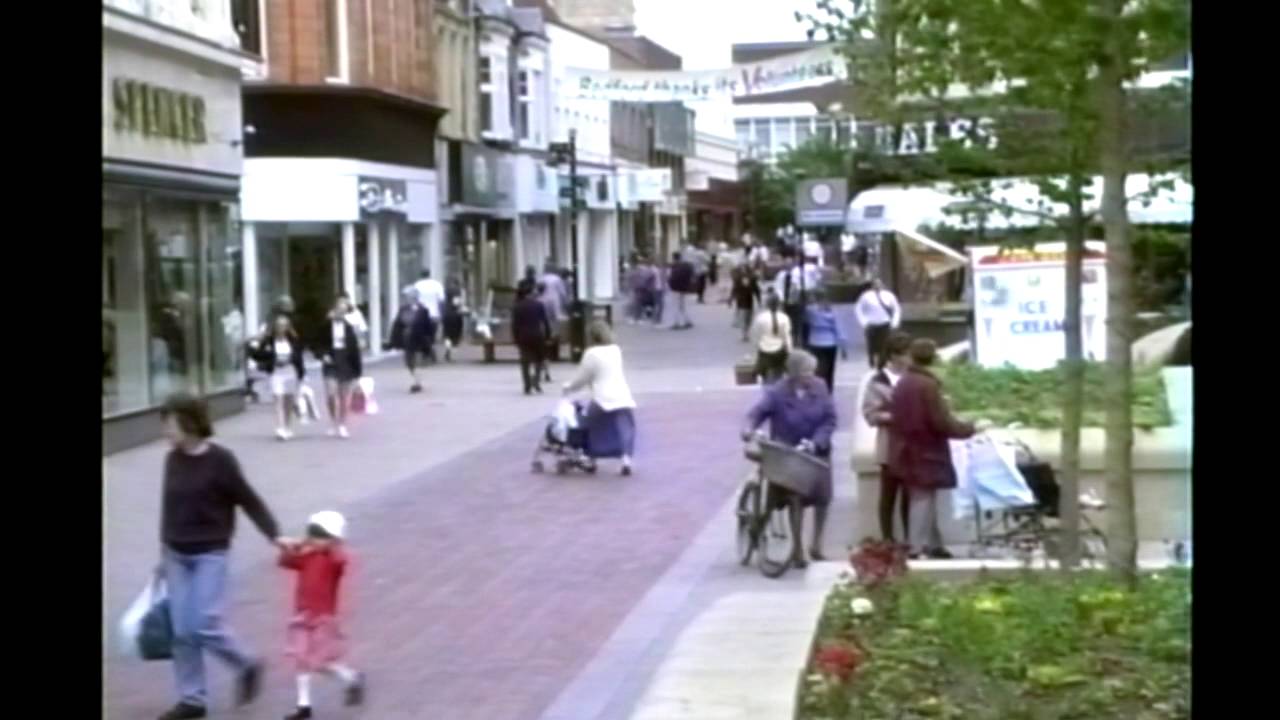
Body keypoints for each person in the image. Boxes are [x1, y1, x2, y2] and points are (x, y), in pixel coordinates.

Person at [156, 393, 293, 720]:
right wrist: (163, 555)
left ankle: (246, 664)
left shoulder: (221, 461)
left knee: (204, 623)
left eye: (169, 424)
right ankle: (192, 700)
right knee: (182, 631)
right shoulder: (172, 459)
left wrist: (274, 534)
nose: (165, 431)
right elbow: (169, 508)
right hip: (176, 554)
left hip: (210, 553)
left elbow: (249, 500)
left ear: (189, 423)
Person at [742, 350, 837, 567]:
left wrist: (816, 441)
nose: (810, 376)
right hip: (788, 453)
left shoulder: (820, 387)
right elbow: (755, 414)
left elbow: (830, 419)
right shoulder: (777, 392)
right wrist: (749, 429)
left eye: (812, 371)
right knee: (795, 498)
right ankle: (797, 549)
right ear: (793, 373)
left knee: (823, 497)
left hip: (816, 450)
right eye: (805, 372)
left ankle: (817, 545)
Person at [888, 339, 977, 559]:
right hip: (926, 450)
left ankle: (934, 544)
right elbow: (940, 422)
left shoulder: (904, 382)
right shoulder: (927, 385)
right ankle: (916, 548)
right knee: (923, 498)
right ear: (933, 358)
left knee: (923, 497)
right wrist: (969, 429)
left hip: (906, 448)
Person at [278, 511, 366, 720]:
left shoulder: (333, 560)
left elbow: (340, 559)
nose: (314, 540)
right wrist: (295, 546)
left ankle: (351, 678)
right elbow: (285, 561)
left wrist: (333, 545)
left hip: (323, 618)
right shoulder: (306, 556)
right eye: (312, 534)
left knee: (321, 663)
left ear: (333, 540)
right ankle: (304, 705)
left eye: (320, 536)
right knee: (301, 658)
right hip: (302, 615)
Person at [563, 320, 638, 475]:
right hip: (622, 396)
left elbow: (582, 378)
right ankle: (626, 460)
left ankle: (590, 457)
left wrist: (569, 387)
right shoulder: (616, 350)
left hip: (602, 398)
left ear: (590, 336)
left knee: (588, 425)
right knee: (625, 427)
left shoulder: (591, 354)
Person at [861, 331, 914, 543]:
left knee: (910, 495)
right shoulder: (877, 381)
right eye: (905, 354)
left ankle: (910, 538)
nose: (909, 358)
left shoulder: (913, 377)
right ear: (893, 356)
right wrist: (894, 416)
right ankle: (888, 539)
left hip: (912, 445)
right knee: (888, 495)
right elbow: (870, 414)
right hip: (889, 445)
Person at [253, 315, 306, 440]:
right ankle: (280, 428)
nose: (281, 328)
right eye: (278, 325)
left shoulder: (293, 340)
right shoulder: (269, 340)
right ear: (275, 327)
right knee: (278, 399)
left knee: (289, 401)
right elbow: (258, 354)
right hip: (276, 373)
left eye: (284, 325)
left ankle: (287, 427)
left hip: (291, 372)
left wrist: (300, 373)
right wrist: (270, 358)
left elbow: (299, 357)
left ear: (288, 327)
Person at [320, 295, 363, 439]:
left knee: (344, 396)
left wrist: (358, 372)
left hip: (345, 362)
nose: (340, 313)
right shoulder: (326, 325)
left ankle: (342, 424)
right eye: (339, 309)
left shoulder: (349, 328)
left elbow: (355, 350)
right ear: (334, 309)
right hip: (330, 362)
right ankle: (333, 421)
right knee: (331, 393)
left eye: (343, 311)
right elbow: (317, 342)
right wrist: (322, 354)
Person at [387, 289, 435, 394]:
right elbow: (397, 324)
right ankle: (416, 379)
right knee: (409, 362)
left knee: (417, 361)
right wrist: (393, 340)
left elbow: (428, 326)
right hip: (407, 339)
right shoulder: (403, 309)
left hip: (419, 339)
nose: (408, 299)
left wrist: (430, 339)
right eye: (407, 297)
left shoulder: (423, 310)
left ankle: (417, 382)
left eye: (409, 296)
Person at [512, 284, 553, 395]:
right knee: (539, 360)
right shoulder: (539, 305)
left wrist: (515, 338)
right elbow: (545, 322)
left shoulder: (517, 306)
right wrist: (548, 336)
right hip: (537, 335)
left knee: (525, 362)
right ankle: (536, 380)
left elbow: (515, 325)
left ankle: (527, 385)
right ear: (530, 293)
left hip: (523, 337)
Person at [805, 290, 848, 393]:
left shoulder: (810, 311)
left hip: (814, 341)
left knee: (817, 367)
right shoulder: (831, 312)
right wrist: (843, 347)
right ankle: (828, 389)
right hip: (830, 342)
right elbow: (838, 329)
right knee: (830, 369)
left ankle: (817, 387)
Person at [775, 254, 823, 347]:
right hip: (785, 301)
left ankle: (799, 339)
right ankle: (790, 338)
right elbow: (778, 287)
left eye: (790, 263)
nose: (788, 265)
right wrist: (782, 299)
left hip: (796, 300)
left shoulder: (798, 273)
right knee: (787, 320)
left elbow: (806, 284)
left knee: (799, 319)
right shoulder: (781, 275)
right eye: (786, 263)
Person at [855, 279, 901, 369]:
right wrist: (863, 322)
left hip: (885, 323)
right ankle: (872, 361)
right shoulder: (866, 296)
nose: (877, 286)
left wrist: (894, 322)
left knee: (885, 344)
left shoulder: (889, 295)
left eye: (879, 284)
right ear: (872, 286)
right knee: (871, 345)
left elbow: (896, 309)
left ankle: (882, 362)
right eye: (875, 284)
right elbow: (858, 309)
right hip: (871, 324)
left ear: (882, 285)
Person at [750, 293, 793, 384]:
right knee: (779, 371)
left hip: (764, 349)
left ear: (767, 304)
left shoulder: (760, 318)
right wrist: (789, 349)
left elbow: (756, 334)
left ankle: (766, 385)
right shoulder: (784, 318)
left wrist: (757, 347)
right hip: (779, 349)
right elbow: (786, 335)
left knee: (765, 372)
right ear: (779, 304)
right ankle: (778, 385)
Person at [730, 264, 763, 342]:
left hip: (749, 302)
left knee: (749, 318)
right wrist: (730, 300)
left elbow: (757, 290)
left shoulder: (752, 279)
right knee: (743, 317)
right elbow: (734, 289)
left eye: (745, 269)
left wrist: (759, 300)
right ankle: (744, 334)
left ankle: (747, 331)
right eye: (742, 269)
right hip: (741, 302)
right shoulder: (738, 279)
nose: (744, 271)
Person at [667, 251, 696, 329]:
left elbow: (670, 277)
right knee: (683, 306)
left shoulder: (673, 266)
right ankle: (687, 321)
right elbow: (692, 276)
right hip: (685, 288)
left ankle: (676, 323)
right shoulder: (687, 266)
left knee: (675, 306)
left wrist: (670, 285)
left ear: (673, 258)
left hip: (675, 288)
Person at [441, 276, 466, 362]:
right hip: (455, 315)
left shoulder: (445, 290)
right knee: (455, 334)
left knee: (447, 334)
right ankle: (451, 351)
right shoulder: (457, 290)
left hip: (446, 314)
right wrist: (463, 308)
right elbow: (456, 303)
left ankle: (448, 349)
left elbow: (442, 301)